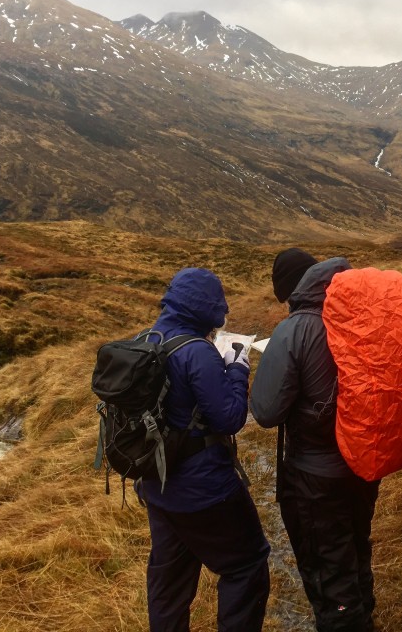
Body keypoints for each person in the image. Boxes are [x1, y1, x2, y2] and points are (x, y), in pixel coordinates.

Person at [250, 249, 381, 632]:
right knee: (355, 544)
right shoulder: (362, 315)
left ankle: (347, 621)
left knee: (328, 568)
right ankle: (364, 614)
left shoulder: (296, 329)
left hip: (315, 476)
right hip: (364, 461)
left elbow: (266, 411)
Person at [137, 267, 270, 632]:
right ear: (206, 307)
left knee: (169, 582)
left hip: (157, 484)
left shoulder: (145, 339)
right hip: (205, 490)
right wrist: (238, 365)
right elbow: (229, 418)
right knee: (246, 565)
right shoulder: (198, 352)